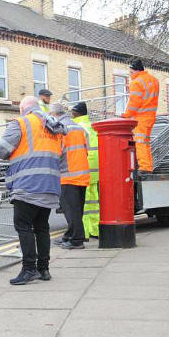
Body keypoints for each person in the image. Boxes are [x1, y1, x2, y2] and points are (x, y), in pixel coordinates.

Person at [0, 96, 62, 284]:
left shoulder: (21, 123)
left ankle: (29, 268)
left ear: (23, 109)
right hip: (50, 184)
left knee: (23, 226)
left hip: (27, 184)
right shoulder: (53, 126)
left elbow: (2, 149)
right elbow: (60, 154)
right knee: (42, 227)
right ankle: (44, 269)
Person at [50, 103, 90, 250]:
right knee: (77, 210)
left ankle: (76, 240)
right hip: (82, 174)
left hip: (67, 175)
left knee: (71, 211)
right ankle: (69, 236)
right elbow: (87, 149)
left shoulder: (59, 129)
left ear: (54, 115)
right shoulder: (79, 128)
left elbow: (57, 153)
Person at [122, 59, 159, 172]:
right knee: (145, 143)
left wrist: (126, 115)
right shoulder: (154, 80)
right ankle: (148, 166)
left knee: (139, 143)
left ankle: (145, 168)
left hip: (141, 118)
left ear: (135, 71)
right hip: (150, 116)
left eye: (131, 73)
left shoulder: (136, 82)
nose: (130, 75)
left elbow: (134, 103)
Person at [71, 102, 99, 240]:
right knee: (94, 202)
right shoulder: (92, 127)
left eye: (73, 112)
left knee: (84, 203)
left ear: (76, 113)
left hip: (84, 167)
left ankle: (84, 233)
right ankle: (96, 230)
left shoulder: (77, 127)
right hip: (95, 168)